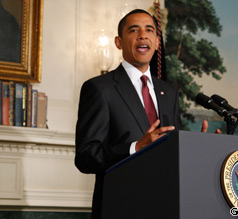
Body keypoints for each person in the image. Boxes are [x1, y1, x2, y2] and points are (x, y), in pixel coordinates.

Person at [75, 9, 218, 219]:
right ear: (118, 42)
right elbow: (85, 157)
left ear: (157, 42)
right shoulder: (99, 89)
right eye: (134, 30)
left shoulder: (168, 92)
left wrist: (197, 149)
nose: (143, 35)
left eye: (149, 30)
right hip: (121, 207)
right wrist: (135, 147)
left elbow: (172, 152)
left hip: (167, 206)